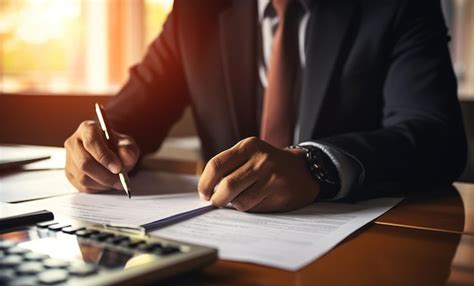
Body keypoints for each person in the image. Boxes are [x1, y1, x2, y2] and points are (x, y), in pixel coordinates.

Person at [64, 0, 467, 212]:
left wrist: (315, 165)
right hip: (224, 239)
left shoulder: (399, 5)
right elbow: (134, 111)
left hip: (368, 245)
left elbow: (436, 135)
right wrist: (98, 144)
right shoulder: (198, 9)